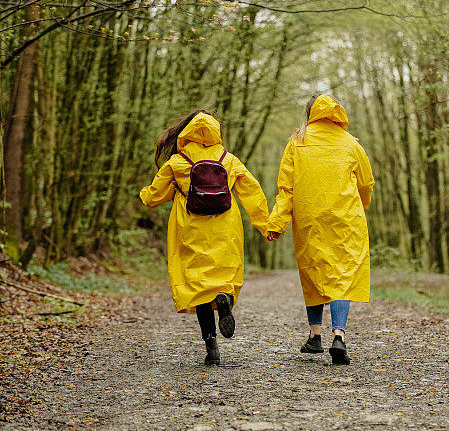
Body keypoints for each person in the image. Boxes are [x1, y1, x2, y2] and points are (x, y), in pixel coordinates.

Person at [140, 110, 269, 365]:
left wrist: (146, 193)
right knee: (225, 279)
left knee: (198, 287)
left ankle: (211, 347)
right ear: (215, 132)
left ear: (185, 134)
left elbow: (154, 197)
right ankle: (225, 301)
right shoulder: (229, 160)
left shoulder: (177, 163)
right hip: (225, 229)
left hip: (190, 229)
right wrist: (267, 225)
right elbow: (252, 193)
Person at [267, 94, 374, 365]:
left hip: (309, 218)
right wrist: (361, 206)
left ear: (309, 113)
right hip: (346, 219)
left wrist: (277, 222)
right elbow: (366, 182)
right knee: (342, 274)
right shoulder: (351, 144)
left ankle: (315, 336)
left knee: (314, 270)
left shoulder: (297, 142)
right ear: (337, 113)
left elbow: (286, 189)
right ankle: (339, 336)